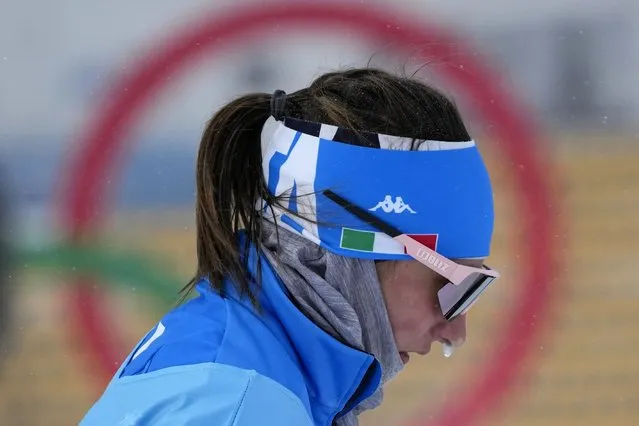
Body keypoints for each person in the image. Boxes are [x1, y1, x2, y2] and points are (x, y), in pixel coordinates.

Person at [80, 68, 499, 426]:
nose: (455, 331)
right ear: (339, 251)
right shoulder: (237, 405)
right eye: (455, 286)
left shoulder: (245, 367)